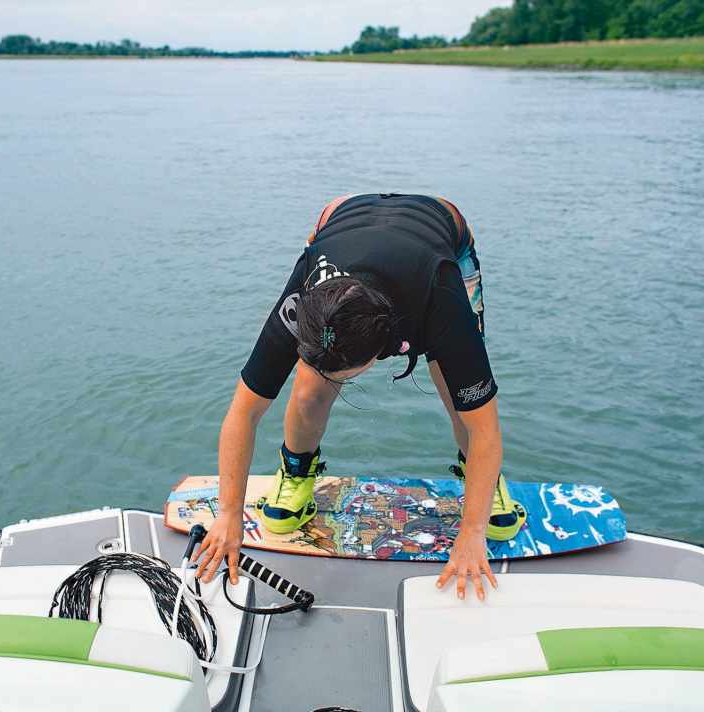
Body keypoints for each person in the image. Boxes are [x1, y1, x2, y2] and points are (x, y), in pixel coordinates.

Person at [192, 193, 524, 600]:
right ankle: (296, 472)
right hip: (340, 222)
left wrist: (471, 533)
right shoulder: (302, 304)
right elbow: (242, 414)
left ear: (376, 356)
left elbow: (484, 425)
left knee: (457, 392)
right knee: (308, 389)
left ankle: (482, 482)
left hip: (439, 238)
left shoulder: (440, 298)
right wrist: (228, 515)